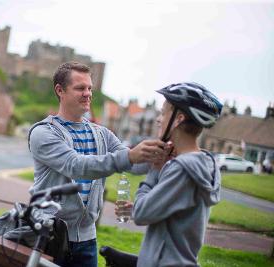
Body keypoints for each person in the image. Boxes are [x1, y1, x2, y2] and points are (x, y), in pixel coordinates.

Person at [28, 62, 171, 267]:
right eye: (80, 88)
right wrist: (130, 156)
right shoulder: (43, 132)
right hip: (46, 237)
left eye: (89, 88)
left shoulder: (102, 134)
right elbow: (76, 166)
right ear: (60, 90)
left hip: (87, 241)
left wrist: (159, 154)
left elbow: (133, 165)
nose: (87, 94)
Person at [119, 82, 223, 267]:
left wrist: (155, 170)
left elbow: (143, 214)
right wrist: (146, 204)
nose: (159, 119)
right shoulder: (203, 164)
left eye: (163, 113)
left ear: (179, 119)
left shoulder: (182, 169)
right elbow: (177, 216)